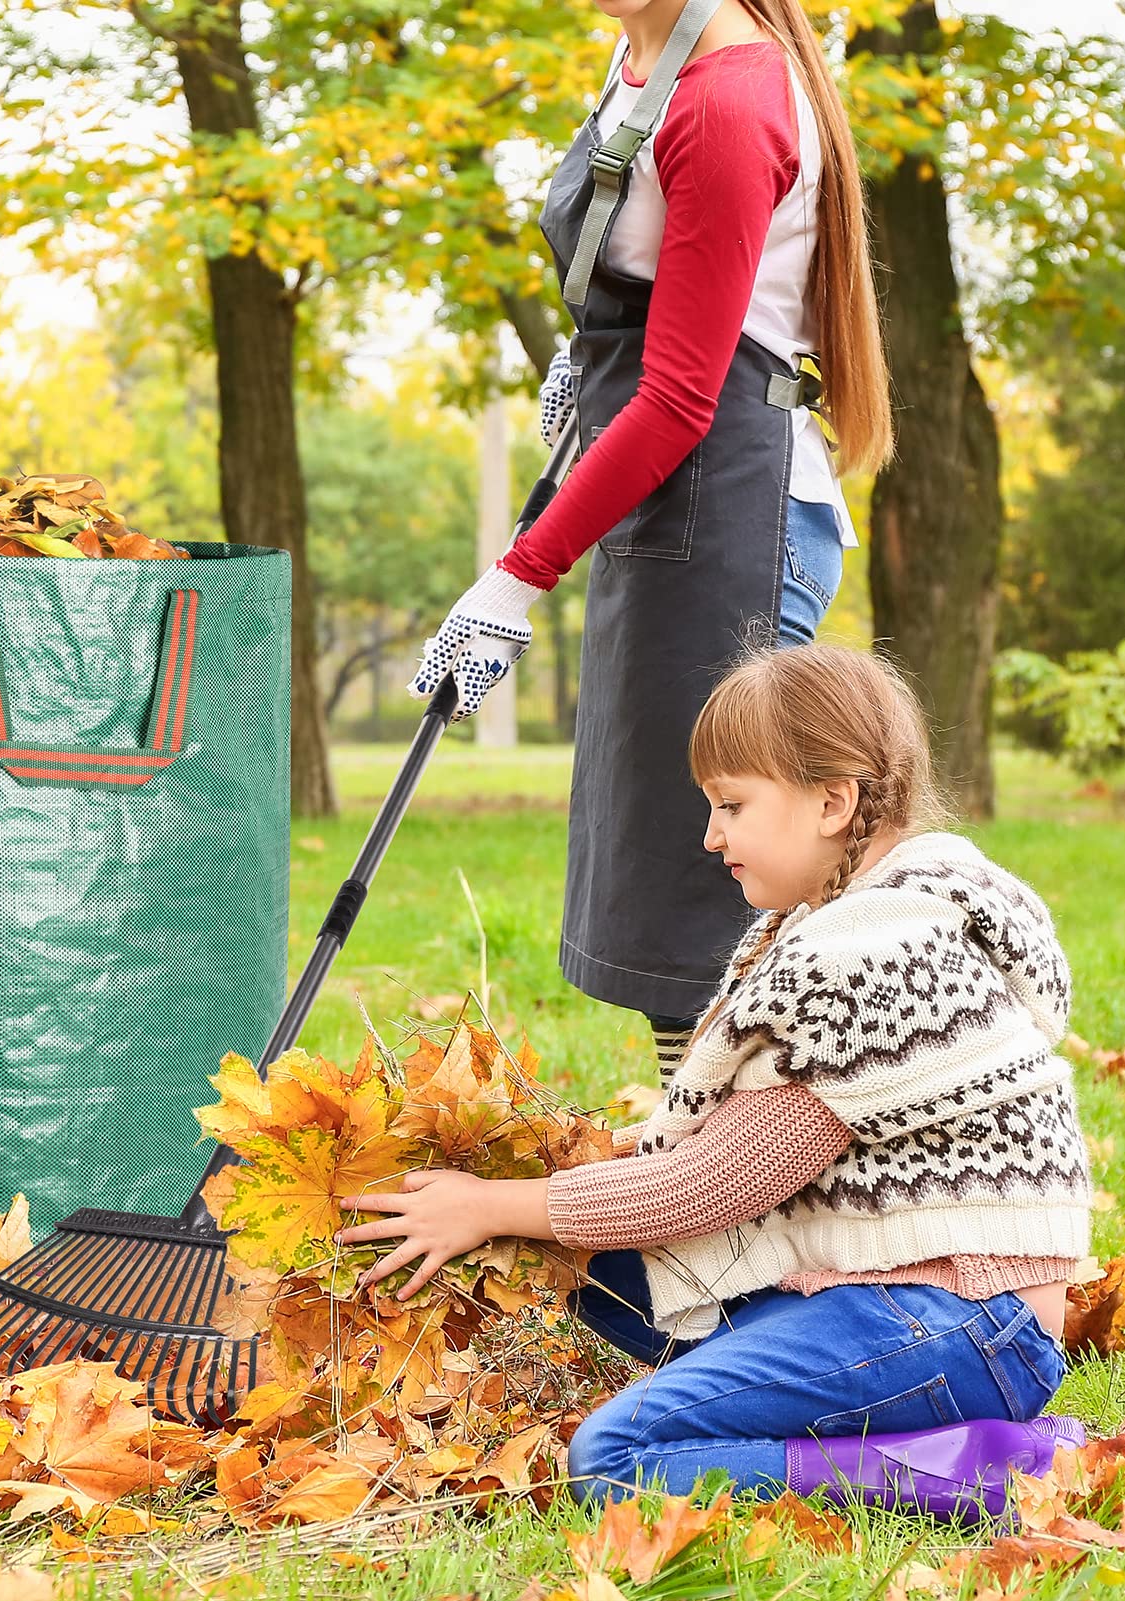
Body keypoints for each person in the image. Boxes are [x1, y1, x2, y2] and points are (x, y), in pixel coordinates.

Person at [342, 645, 1092, 1519]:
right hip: (906, 1298)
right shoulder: (857, 917)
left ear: (831, 800)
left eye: (731, 805)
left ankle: (978, 1470)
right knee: (597, 1260)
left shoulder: (872, 955)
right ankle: (856, 1426)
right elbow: (707, 1153)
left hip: (961, 1325)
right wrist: (537, 1177)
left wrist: (486, 1204)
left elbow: (709, 1184)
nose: (711, 836)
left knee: (614, 1456)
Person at [407, 0, 895, 1086]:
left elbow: (678, 399)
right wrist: (585, 353)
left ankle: (754, 1195)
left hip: (726, 505)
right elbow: (648, 280)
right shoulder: (640, 51)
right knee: (669, 877)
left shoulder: (728, 98)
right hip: (661, 497)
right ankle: (698, 1182)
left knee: (715, 895)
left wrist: (512, 576)